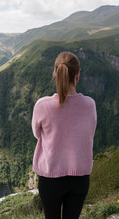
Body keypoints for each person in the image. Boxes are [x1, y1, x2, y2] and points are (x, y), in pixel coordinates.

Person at [31, 51, 97, 219]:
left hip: (51, 176)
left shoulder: (42, 105)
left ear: (55, 73)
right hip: (80, 177)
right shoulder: (89, 105)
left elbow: (37, 134)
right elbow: (90, 132)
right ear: (78, 75)